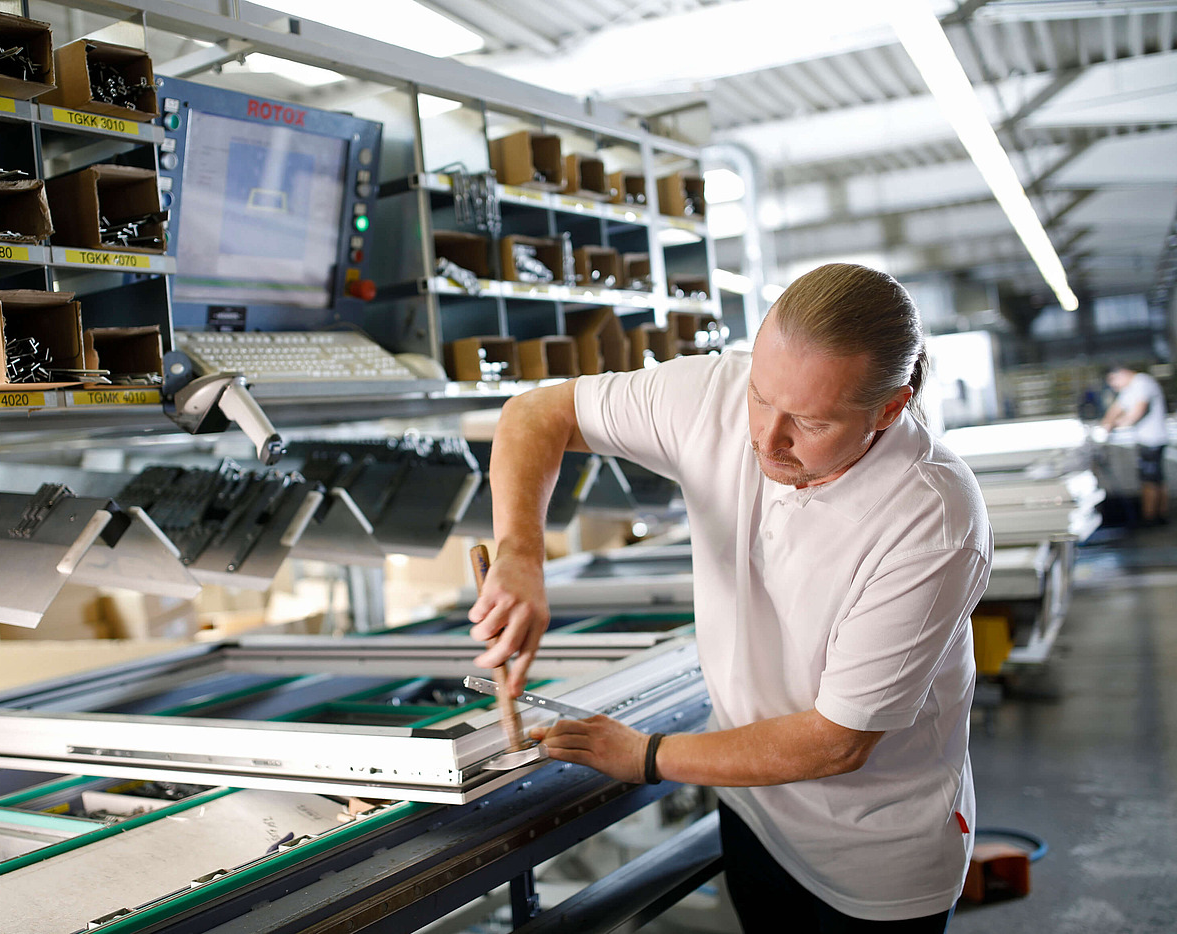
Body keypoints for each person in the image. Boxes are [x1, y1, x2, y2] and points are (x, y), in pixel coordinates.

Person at [469, 263, 992, 932]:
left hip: (873, 852)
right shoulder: (715, 391)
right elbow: (535, 413)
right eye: (760, 397)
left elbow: (837, 742)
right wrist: (520, 553)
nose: (766, 439)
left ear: (889, 409)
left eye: (810, 422)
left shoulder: (931, 518)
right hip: (753, 811)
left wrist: (647, 755)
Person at [1100, 365, 1169, 526]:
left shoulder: (1142, 383)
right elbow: (1116, 407)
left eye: (1113, 382)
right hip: (1146, 440)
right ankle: (1157, 516)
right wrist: (1106, 423)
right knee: (1155, 478)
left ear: (1121, 373)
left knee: (1150, 480)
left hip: (1153, 440)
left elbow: (1138, 411)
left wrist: (1117, 425)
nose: (1114, 387)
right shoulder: (1129, 388)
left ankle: (1151, 518)